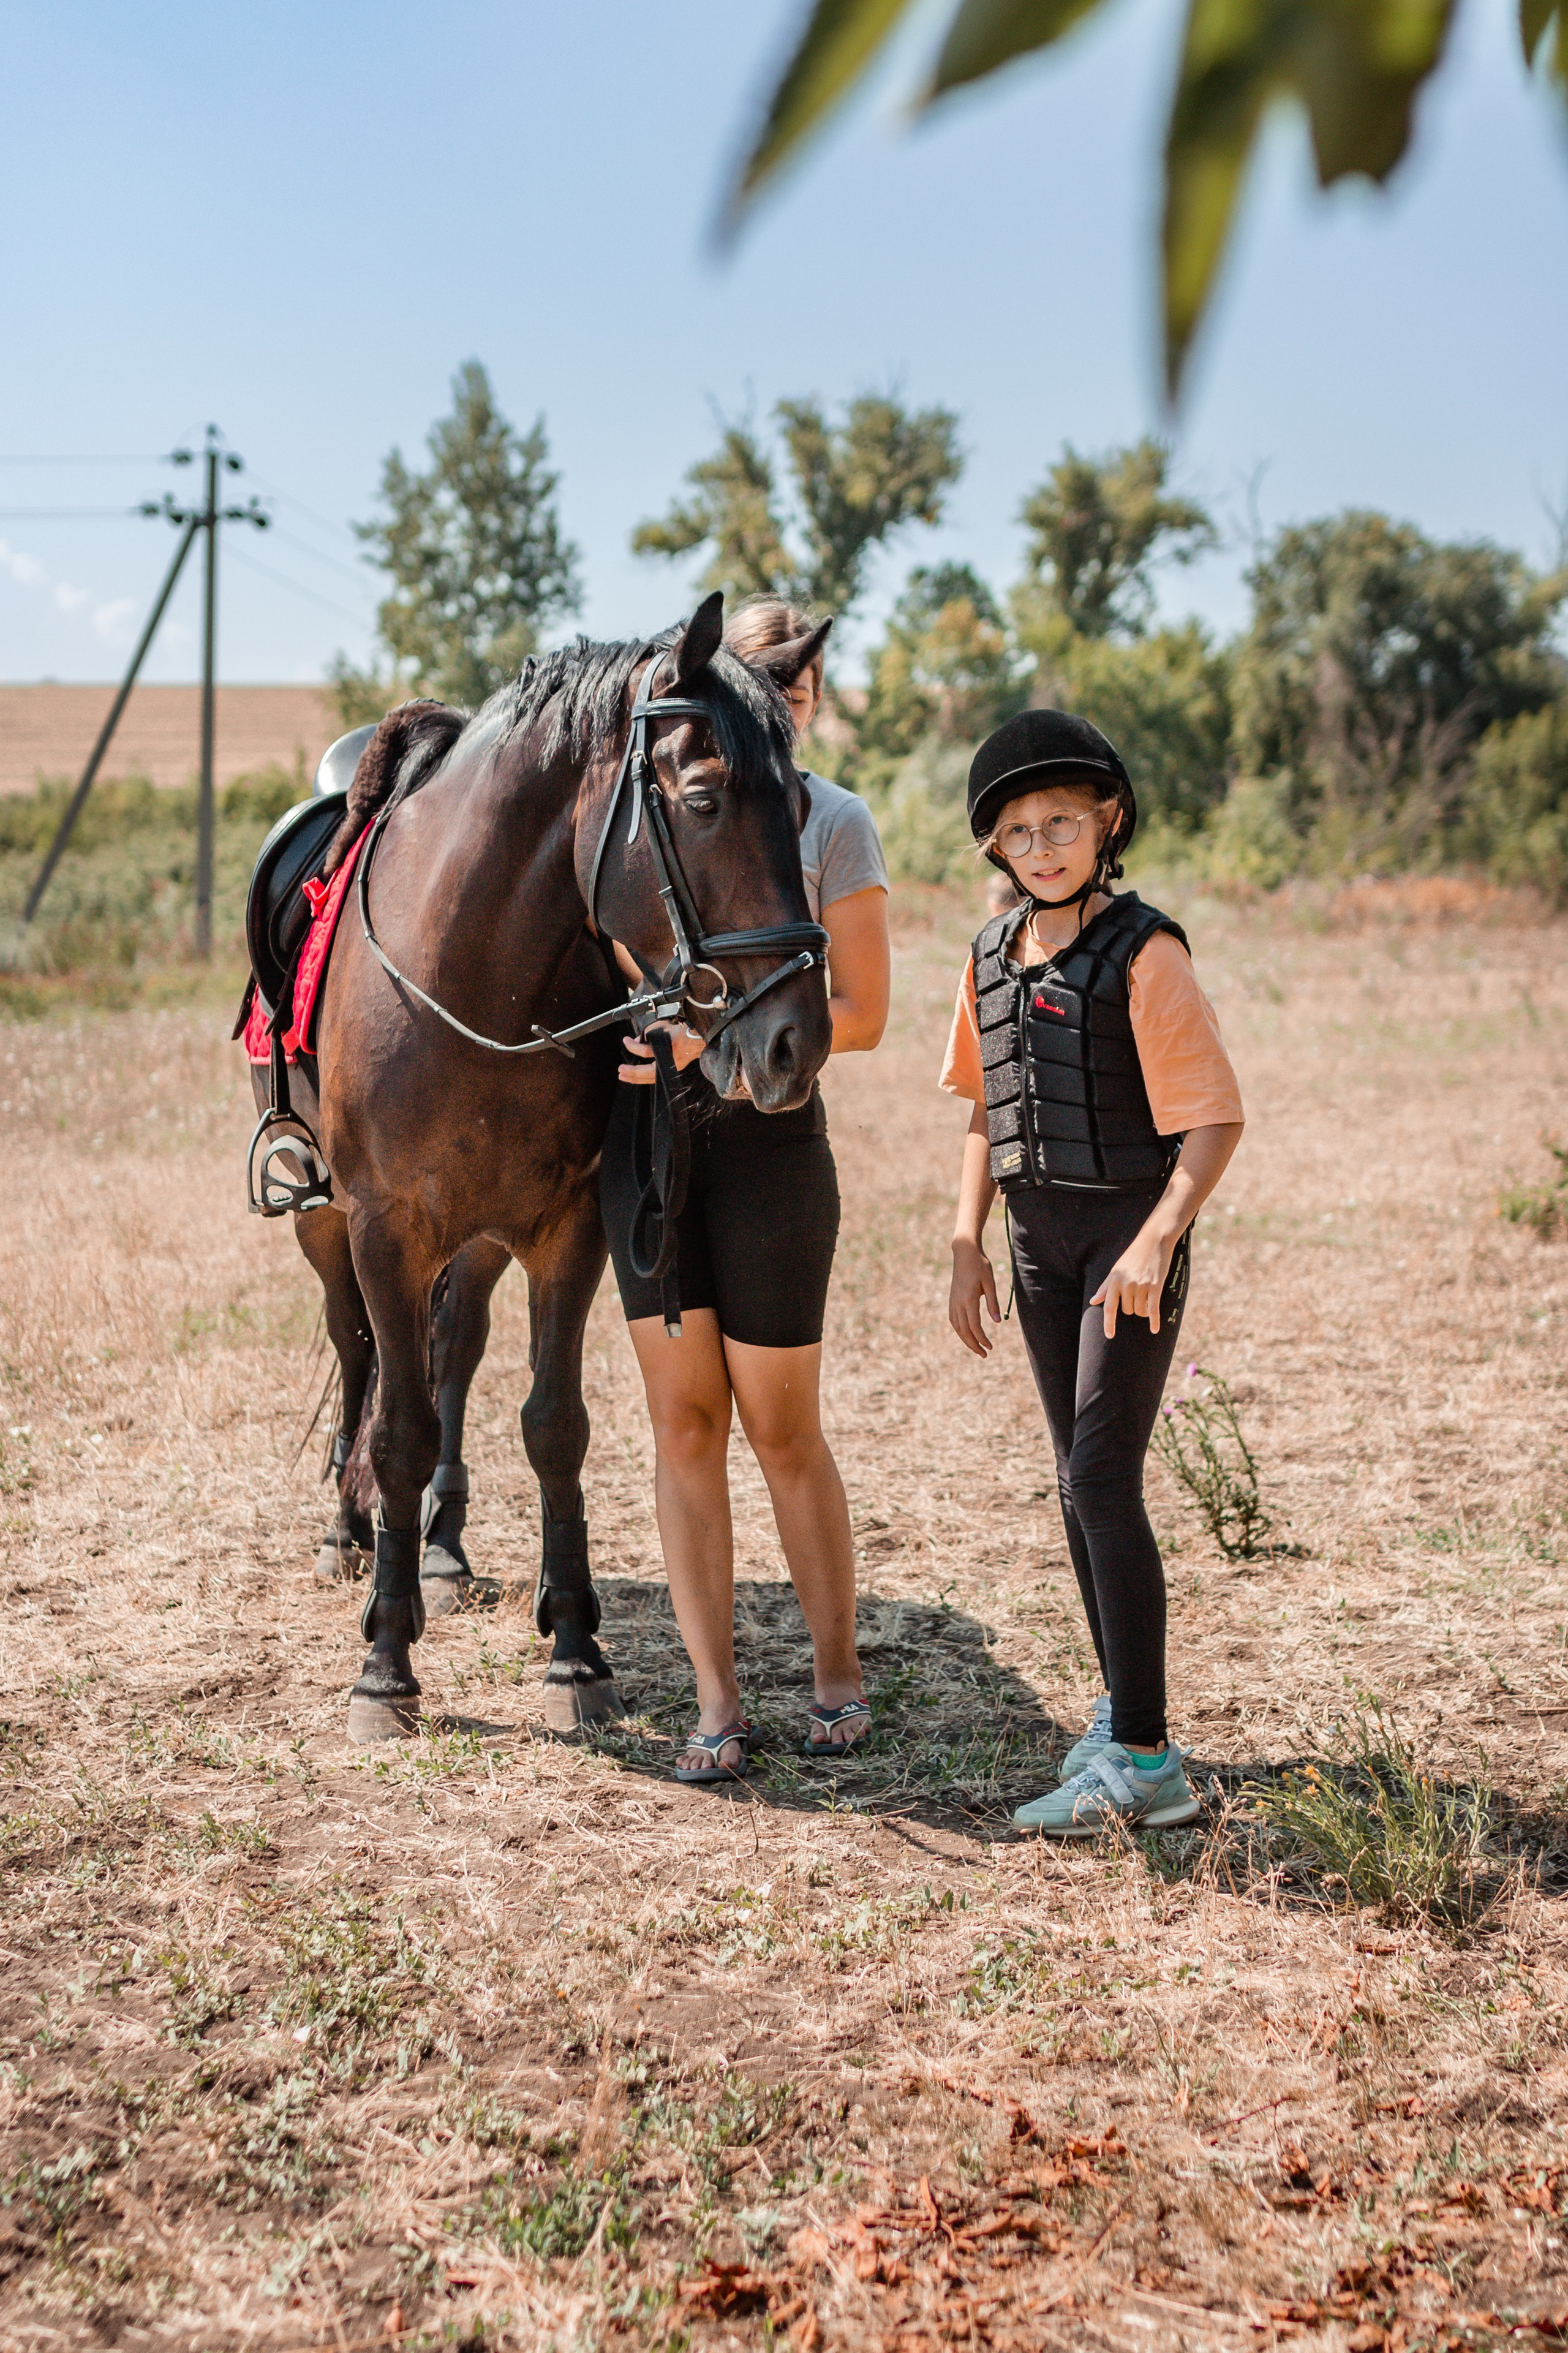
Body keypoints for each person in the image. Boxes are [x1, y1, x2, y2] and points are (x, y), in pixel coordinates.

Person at [600, 595, 891, 1785]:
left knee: (779, 1428)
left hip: (771, 1145)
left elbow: (861, 1013)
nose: (782, 700)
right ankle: (716, 1701)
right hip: (649, 1148)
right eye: (759, 681)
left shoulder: (836, 822)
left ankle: (837, 1672)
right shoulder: (649, 811)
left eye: (796, 684)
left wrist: (701, 1033)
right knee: (682, 1426)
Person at [941, 710, 1244, 1836]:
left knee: (1103, 1480)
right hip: (1037, 1244)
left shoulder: (1147, 952)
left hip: (1126, 1242)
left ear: (1108, 819)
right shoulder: (988, 956)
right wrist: (965, 1239)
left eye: (1063, 821)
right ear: (996, 845)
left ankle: (1150, 1763)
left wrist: (1159, 1237)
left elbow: (1214, 1118)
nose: (1043, 845)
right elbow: (986, 1108)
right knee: (1075, 1478)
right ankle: (1124, 1711)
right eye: (1019, 830)